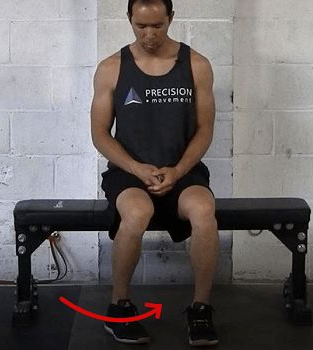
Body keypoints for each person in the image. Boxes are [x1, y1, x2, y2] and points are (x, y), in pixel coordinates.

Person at [90, 0, 220, 346]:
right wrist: (136, 168)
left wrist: (177, 171)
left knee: (205, 212)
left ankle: (200, 309)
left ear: (171, 19)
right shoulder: (111, 68)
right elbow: (100, 133)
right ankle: (118, 308)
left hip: (182, 170)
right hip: (130, 173)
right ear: (130, 20)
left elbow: (205, 130)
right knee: (137, 211)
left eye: (157, 26)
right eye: (140, 26)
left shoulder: (197, 65)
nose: (149, 34)